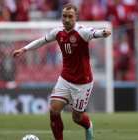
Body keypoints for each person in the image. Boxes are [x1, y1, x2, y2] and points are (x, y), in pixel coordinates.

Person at [13, 3, 111, 140]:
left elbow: (94, 33)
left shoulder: (81, 32)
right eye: (64, 16)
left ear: (76, 17)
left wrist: (103, 32)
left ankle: (88, 126)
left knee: (77, 118)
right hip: (65, 79)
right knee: (54, 110)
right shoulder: (58, 32)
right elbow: (42, 41)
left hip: (83, 83)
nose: (66, 19)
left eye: (70, 16)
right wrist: (24, 49)